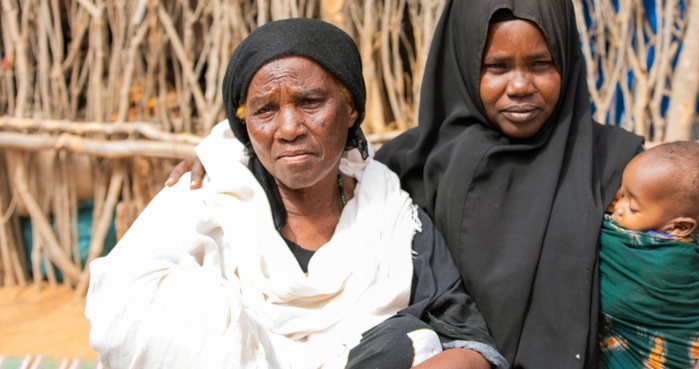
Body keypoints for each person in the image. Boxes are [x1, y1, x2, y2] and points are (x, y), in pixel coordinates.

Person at [167, 0, 699, 368]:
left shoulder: (611, 164)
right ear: (461, 63)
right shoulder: (407, 162)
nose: (521, 86)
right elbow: (297, 152)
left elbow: (689, 259)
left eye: (542, 64)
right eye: (497, 67)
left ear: (570, 65)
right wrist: (217, 159)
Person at [86, 18, 506, 369]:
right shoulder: (203, 201)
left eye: (310, 102)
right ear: (244, 126)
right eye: (265, 110)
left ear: (351, 108)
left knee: (409, 340)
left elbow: (467, 341)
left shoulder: (389, 214)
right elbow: (122, 316)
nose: (288, 129)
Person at [600, 140, 699, 368]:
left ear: (679, 228)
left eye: (633, 207)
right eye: (621, 195)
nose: (618, 207)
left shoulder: (649, 255)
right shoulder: (695, 243)